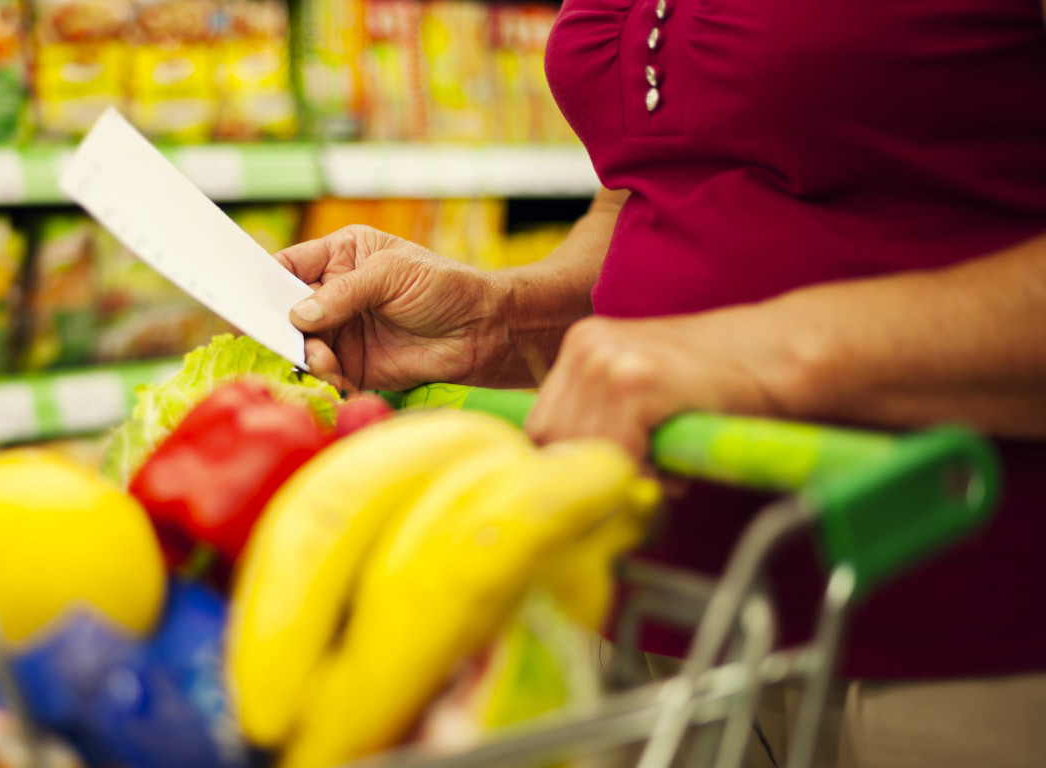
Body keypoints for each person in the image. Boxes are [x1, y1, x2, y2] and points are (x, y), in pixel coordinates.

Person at [273, 1, 1046, 766]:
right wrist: (505, 317)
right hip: (663, 614)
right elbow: (647, 193)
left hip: (958, 638)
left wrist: (750, 356)